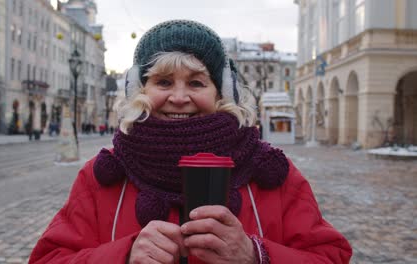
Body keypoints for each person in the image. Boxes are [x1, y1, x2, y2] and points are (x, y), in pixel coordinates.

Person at [29, 20, 352, 264]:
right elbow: (48, 258)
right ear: (137, 90)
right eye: (163, 81)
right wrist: (123, 255)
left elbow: (330, 255)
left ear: (222, 92)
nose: (179, 97)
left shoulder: (270, 171)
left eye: (196, 82)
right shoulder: (102, 174)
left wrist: (255, 255)